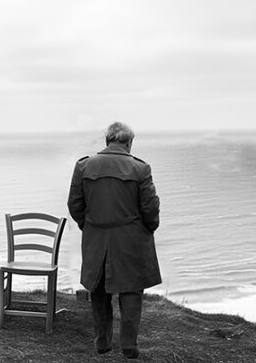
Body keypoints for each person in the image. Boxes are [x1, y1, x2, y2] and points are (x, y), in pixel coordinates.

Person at [67, 122, 161, 360]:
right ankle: (129, 347)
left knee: (99, 292)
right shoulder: (140, 168)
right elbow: (150, 207)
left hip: (96, 239)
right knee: (130, 293)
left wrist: (89, 226)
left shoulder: (83, 166)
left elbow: (75, 205)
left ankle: (102, 344)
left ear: (107, 140)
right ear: (129, 142)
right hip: (130, 240)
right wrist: (147, 229)